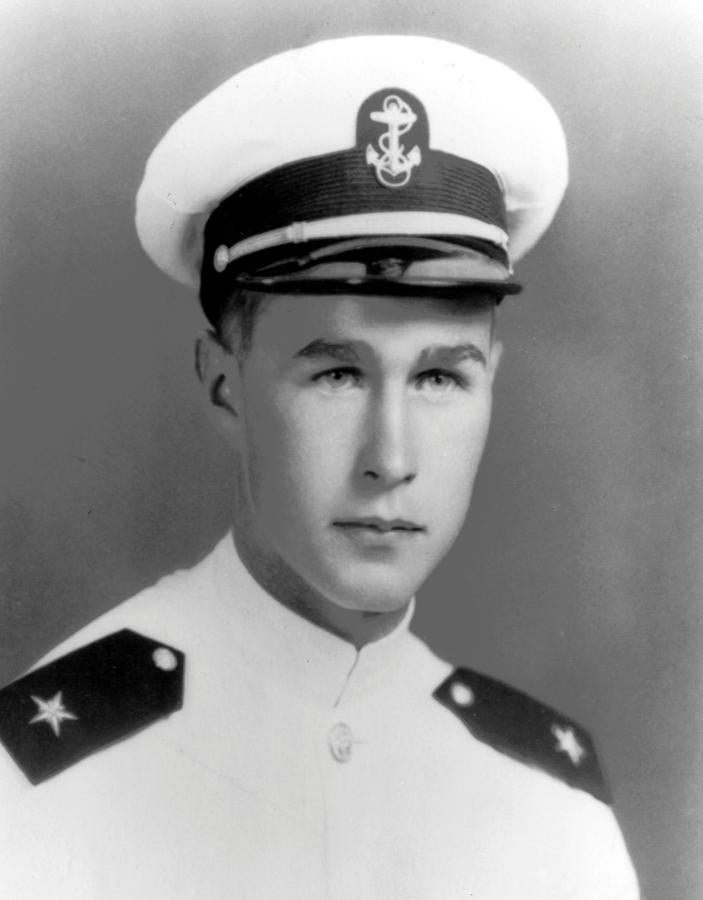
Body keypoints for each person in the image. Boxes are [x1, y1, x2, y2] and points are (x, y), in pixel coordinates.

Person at [0, 35, 639, 898]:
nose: (391, 459)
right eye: (336, 373)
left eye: (441, 377)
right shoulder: (45, 784)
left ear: (492, 386)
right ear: (225, 386)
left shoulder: (550, 804)